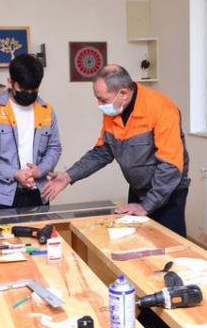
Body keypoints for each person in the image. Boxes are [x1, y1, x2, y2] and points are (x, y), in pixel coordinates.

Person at [42, 65, 190, 237]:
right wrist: (69, 176)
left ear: (124, 93)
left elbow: (170, 165)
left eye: (103, 100)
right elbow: (102, 152)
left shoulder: (162, 108)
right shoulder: (114, 110)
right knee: (135, 241)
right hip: (138, 190)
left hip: (167, 192)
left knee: (169, 244)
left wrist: (146, 206)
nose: (99, 105)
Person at [0, 53, 61, 210]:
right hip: (2, 195)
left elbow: (54, 147)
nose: (29, 94)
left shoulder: (47, 111)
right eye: (23, 89)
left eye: (34, 90)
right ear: (10, 82)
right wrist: (14, 173)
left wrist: (40, 171)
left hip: (39, 192)